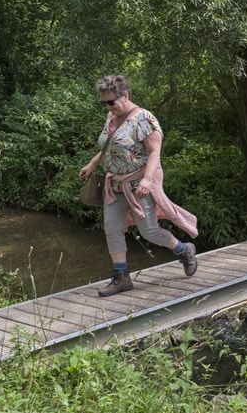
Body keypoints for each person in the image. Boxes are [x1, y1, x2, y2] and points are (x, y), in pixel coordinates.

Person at [78, 75, 199, 297]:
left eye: (110, 101)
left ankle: (184, 251)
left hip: (138, 185)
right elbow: (109, 147)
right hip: (113, 185)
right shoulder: (111, 117)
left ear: (126, 96)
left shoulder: (144, 119)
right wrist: (93, 163)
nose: (107, 106)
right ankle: (121, 277)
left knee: (150, 231)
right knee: (112, 229)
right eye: (103, 102)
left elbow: (154, 152)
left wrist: (147, 180)